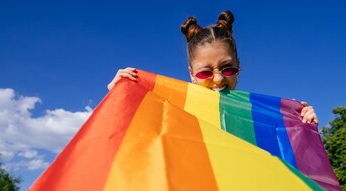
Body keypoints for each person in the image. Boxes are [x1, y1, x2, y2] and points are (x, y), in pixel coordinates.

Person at [107, 11, 318, 124]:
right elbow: (127, 138)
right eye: (205, 72)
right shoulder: (172, 111)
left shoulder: (259, 118)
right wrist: (118, 98)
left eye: (227, 69)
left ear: (239, 66)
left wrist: (299, 126)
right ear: (191, 74)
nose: (218, 80)